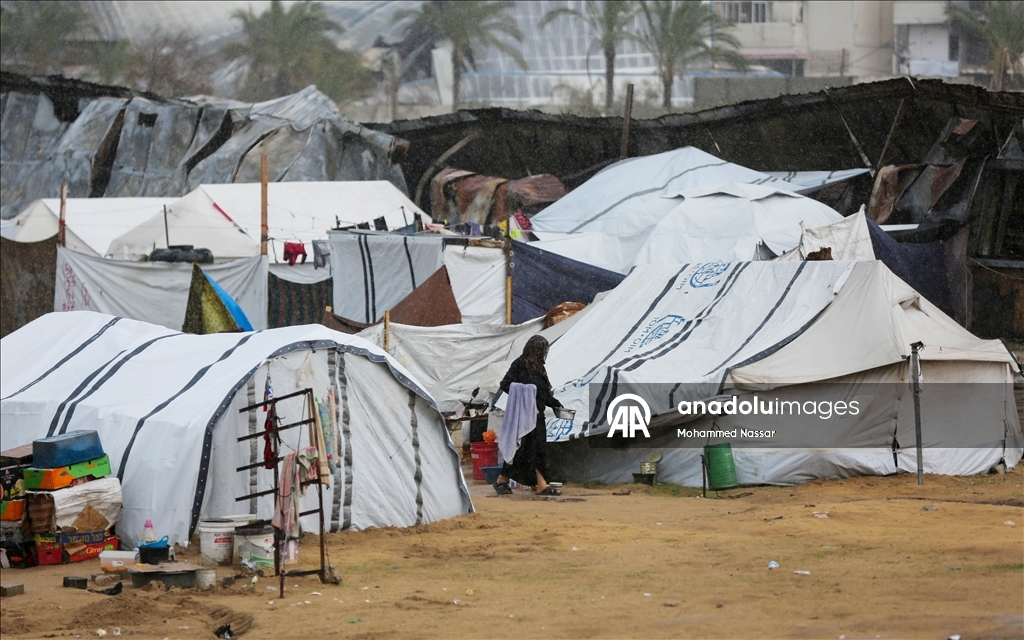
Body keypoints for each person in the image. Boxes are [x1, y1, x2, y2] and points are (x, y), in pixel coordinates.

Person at [494, 335, 563, 496]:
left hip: (538, 416)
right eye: (543, 350)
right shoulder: (519, 364)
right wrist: (525, 391)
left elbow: (543, 393)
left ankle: (508, 480)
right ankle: (538, 484)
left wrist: (555, 404)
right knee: (523, 450)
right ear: (535, 350)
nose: (545, 353)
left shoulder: (539, 367)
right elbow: (505, 384)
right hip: (523, 416)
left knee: (536, 451)